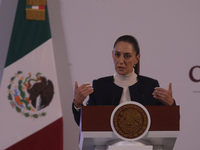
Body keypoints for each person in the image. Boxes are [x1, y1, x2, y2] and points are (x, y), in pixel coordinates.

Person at [72, 35, 175, 126]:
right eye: (117, 55)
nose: (121, 61)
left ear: (137, 58)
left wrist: (170, 105)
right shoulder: (100, 86)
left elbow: (165, 123)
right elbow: (87, 124)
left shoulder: (150, 86)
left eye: (127, 56)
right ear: (112, 55)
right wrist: (77, 104)